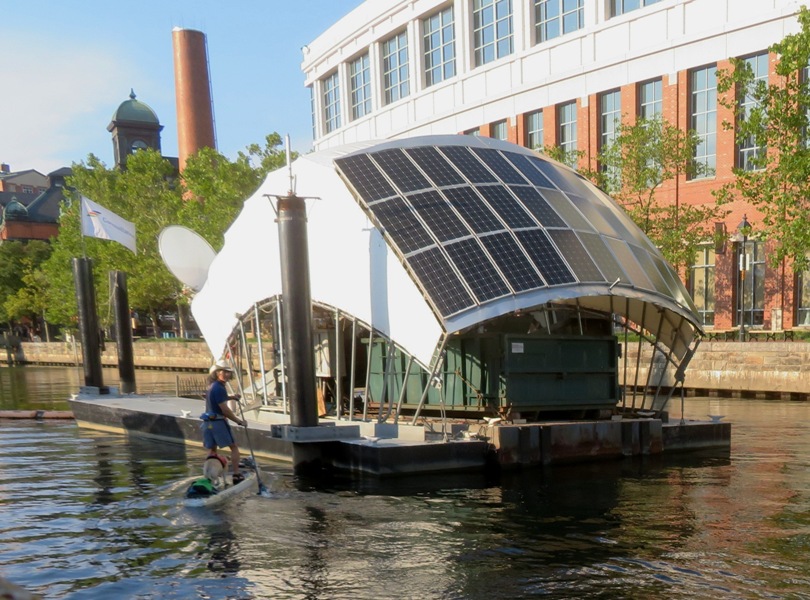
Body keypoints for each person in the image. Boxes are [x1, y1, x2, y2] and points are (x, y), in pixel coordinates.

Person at [201, 359, 246, 484]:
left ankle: (209, 477)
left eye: (228, 372)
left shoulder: (212, 386)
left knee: (211, 450)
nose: (227, 374)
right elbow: (225, 409)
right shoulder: (220, 388)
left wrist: (231, 397)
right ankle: (236, 474)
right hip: (218, 423)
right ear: (217, 373)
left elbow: (217, 399)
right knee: (234, 447)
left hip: (207, 423)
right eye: (224, 372)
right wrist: (239, 421)